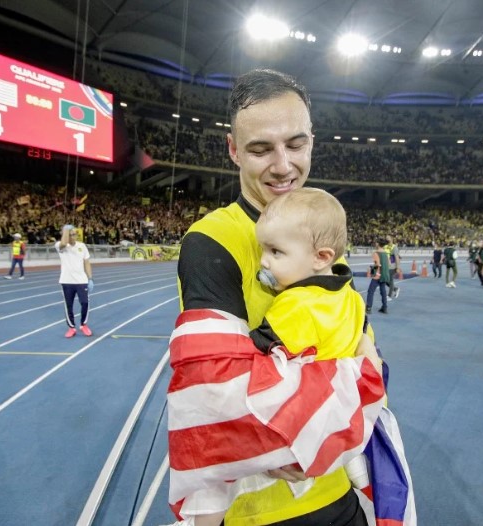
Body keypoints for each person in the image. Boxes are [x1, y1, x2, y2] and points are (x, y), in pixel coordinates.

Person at [176, 68, 391, 525]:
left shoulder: (317, 228)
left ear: (312, 140)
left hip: (337, 491)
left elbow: (365, 353)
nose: (283, 165)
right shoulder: (212, 241)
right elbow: (219, 396)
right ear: (233, 150)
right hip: (261, 513)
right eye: (260, 148)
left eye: (296, 144)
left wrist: (354, 403)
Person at [55, 225, 94, 337]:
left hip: (81, 280)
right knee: (69, 305)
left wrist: (90, 278)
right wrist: (66, 230)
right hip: (66, 281)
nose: (73, 236)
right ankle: (71, 327)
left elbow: (86, 262)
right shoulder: (60, 246)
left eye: (74, 234)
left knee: (85, 302)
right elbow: (63, 243)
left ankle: (83, 324)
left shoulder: (82, 246)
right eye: (70, 234)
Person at [366, 239, 391, 314]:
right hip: (384, 275)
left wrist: (371, 269)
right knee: (383, 291)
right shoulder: (385, 253)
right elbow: (389, 264)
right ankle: (385, 307)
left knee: (371, 291)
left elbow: (377, 265)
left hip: (377, 275)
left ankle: (369, 308)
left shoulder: (375, 253)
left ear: (378, 244)